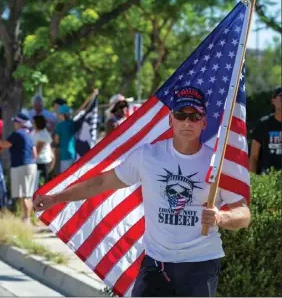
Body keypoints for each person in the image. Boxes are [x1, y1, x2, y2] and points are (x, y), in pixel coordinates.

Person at [34, 86, 251, 297]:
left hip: (200, 265)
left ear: (204, 122)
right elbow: (101, 183)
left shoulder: (217, 163)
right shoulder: (147, 156)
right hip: (156, 264)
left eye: (195, 116)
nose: (187, 121)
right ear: (171, 119)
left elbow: (244, 214)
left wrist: (221, 217)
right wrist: (56, 198)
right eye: (181, 114)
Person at [0, 112, 37, 225]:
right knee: (28, 195)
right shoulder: (29, 135)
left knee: (22, 195)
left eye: (15, 121)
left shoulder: (17, 134)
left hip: (20, 166)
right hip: (31, 166)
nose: (14, 124)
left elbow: (3, 144)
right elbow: (34, 154)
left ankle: (26, 220)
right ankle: (27, 218)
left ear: (19, 123)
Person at [250, 87, 282, 174]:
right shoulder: (263, 124)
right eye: (281, 96)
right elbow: (254, 157)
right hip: (267, 179)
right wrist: (253, 181)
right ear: (273, 100)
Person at [31, 115, 54, 189]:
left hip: (43, 162)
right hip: (35, 162)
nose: (33, 123)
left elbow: (37, 151)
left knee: (41, 185)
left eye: (34, 122)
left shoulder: (44, 134)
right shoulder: (34, 132)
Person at [54, 104, 76, 173]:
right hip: (73, 154)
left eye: (58, 114)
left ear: (62, 115)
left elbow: (56, 140)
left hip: (64, 155)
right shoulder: (72, 123)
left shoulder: (60, 125)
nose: (58, 116)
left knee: (65, 177)